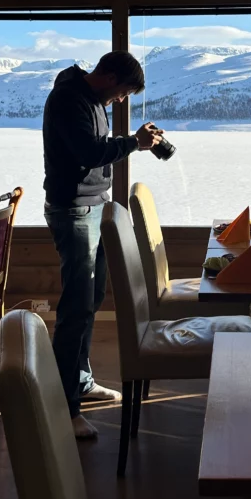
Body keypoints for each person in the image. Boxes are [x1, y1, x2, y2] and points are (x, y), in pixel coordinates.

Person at [43, 50, 163, 439]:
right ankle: (65, 407)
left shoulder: (89, 99)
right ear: (110, 77)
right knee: (76, 307)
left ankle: (80, 380)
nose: (122, 100)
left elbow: (96, 146)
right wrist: (134, 143)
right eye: (124, 91)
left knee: (90, 298)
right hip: (73, 210)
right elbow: (90, 151)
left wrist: (128, 143)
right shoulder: (68, 98)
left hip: (91, 206)